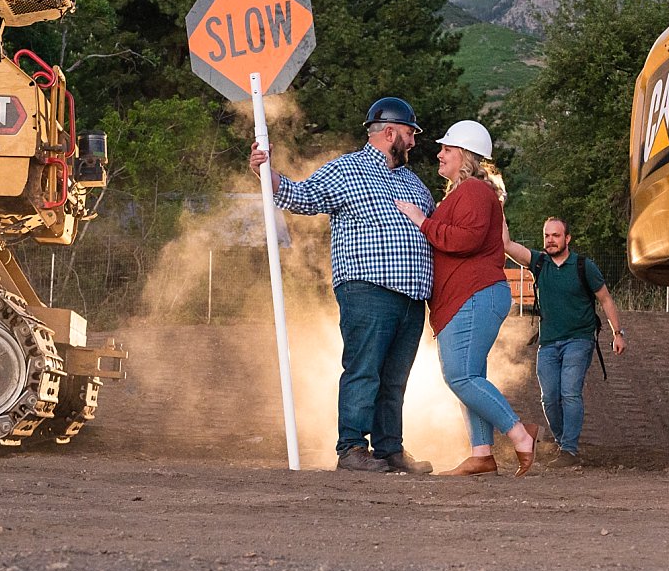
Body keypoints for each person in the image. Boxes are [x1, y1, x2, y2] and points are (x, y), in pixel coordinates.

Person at [249, 97, 437, 474]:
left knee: (396, 377)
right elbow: (301, 196)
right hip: (368, 289)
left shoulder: (414, 183)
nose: (414, 142)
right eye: (409, 134)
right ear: (389, 133)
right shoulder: (347, 170)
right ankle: (351, 448)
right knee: (364, 369)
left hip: (413, 297)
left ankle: (389, 449)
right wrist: (265, 173)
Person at [393, 121, 536, 477]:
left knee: (459, 376)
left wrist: (422, 221)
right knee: (471, 375)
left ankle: (520, 435)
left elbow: (466, 240)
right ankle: (482, 454)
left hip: (473, 294)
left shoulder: (473, 190)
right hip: (468, 296)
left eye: (447, 149)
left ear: (465, 156)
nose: (439, 154)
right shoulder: (463, 192)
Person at [503, 217, 624, 464]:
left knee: (569, 392)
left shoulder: (583, 266)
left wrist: (617, 333)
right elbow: (506, 244)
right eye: (547, 235)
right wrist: (498, 206)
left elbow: (605, 299)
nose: (550, 240)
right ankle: (562, 443)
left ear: (567, 238)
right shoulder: (539, 262)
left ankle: (569, 449)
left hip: (579, 339)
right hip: (548, 342)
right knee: (549, 397)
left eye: (556, 236)